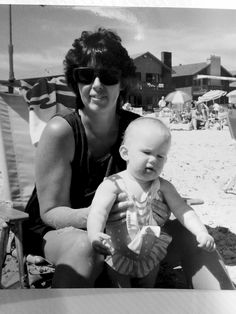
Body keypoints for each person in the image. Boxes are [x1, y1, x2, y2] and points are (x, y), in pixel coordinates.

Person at [23, 27, 234, 289]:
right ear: (75, 81)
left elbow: (147, 182)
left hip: (126, 231)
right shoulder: (61, 132)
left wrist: (162, 203)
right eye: (86, 75)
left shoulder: (138, 130)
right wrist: (97, 217)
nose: (97, 85)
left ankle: (223, 303)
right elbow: (50, 212)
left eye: (108, 76)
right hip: (63, 233)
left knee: (194, 236)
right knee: (85, 247)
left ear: (122, 82)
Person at [87, 117, 215, 287]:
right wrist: (94, 234)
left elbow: (183, 210)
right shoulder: (112, 184)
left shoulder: (163, 186)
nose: (153, 160)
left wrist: (201, 232)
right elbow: (98, 212)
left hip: (151, 251)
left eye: (160, 156)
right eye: (147, 153)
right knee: (120, 290)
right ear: (125, 153)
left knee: (148, 286)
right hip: (117, 251)